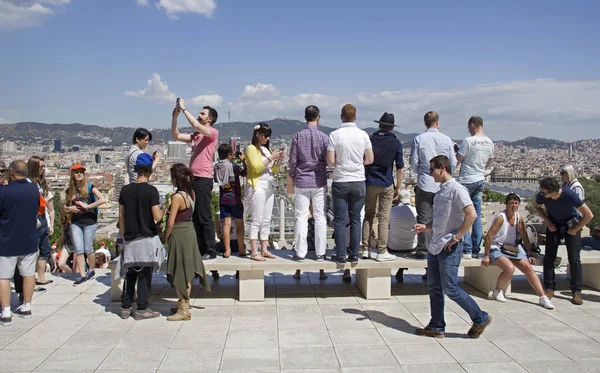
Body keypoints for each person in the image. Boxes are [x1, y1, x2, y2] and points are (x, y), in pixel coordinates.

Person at [414, 155, 491, 339]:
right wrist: (427, 227)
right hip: (435, 245)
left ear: (442, 168)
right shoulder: (441, 191)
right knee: (434, 287)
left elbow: (471, 215)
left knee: (450, 288)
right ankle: (436, 326)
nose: (430, 174)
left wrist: (457, 237)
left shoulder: (457, 189)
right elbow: (442, 219)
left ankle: (480, 317)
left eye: (432, 170)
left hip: (449, 247)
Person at [482, 193, 554, 309]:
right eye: (511, 203)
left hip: (513, 247)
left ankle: (542, 297)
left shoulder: (518, 217)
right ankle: (497, 291)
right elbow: (489, 236)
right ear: (506, 204)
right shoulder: (501, 218)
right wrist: (486, 255)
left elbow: (524, 236)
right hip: (498, 247)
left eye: (516, 203)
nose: (514, 206)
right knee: (510, 269)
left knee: (528, 268)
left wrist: (530, 253)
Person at [118, 153, 165, 320]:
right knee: (145, 273)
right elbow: (157, 217)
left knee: (130, 272)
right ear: (149, 170)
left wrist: (124, 235)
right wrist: (164, 209)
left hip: (130, 237)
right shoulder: (151, 191)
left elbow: (121, 217)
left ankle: (125, 306)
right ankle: (142, 308)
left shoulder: (125, 190)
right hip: (146, 236)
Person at [172, 100, 219, 260]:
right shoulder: (196, 136)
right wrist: (175, 117)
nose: (199, 115)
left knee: (204, 214)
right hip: (193, 179)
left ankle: (210, 250)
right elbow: (176, 135)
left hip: (203, 178)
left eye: (202, 113)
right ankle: (200, 249)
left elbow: (197, 126)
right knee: (196, 216)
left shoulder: (212, 132)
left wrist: (184, 109)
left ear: (210, 119)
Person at [536, 176, 594, 305]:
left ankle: (576, 291)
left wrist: (575, 229)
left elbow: (589, 215)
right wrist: (548, 222)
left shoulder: (569, 194)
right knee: (549, 257)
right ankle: (549, 287)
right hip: (554, 224)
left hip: (571, 224)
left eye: (544, 192)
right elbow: (538, 207)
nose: (542, 194)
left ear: (552, 191)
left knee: (574, 258)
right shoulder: (542, 195)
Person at [163, 163, 211, 321]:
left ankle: (184, 309)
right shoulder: (191, 194)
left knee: (179, 270)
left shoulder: (177, 197)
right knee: (187, 270)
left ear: (177, 178)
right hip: (190, 232)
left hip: (179, 233)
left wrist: (165, 236)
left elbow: (170, 222)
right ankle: (183, 305)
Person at [327, 104, 374, 263]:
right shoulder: (363, 135)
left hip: (341, 180)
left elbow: (331, 161)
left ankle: (341, 255)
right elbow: (370, 159)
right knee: (356, 219)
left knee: (340, 220)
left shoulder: (334, 135)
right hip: (358, 180)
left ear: (341, 117)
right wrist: (358, 163)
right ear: (355, 117)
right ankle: (354, 254)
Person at [408, 112, 456, 261]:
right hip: (442, 184)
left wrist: (424, 172)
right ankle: (441, 248)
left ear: (425, 123)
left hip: (425, 182)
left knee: (423, 217)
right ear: (437, 122)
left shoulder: (419, 139)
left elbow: (413, 163)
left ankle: (423, 250)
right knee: (443, 217)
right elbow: (452, 163)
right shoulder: (447, 139)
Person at [0, 161, 39, 326]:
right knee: (28, 274)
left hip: (7, 239)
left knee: (4, 277)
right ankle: (27, 306)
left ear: (11, 173)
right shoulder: (33, 189)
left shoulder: (4, 192)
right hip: (29, 239)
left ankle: (6, 311)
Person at [289, 105, 330, 263]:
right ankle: (320, 252)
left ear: (305, 117)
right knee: (320, 216)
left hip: (301, 180)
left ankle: (300, 252)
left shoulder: (298, 136)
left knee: (301, 216)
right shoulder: (324, 137)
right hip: (319, 180)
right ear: (318, 117)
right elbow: (328, 161)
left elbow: (293, 160)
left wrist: (294, 175)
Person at [362, 112, 404, 261]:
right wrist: (398, 187)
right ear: (392, 127)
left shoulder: (370, 139)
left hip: (370, 181)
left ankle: (365, 249)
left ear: (379, 124)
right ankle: (381, 251)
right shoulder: (396, 142)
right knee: (383, 218)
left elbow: (364, 160)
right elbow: (399, 167)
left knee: (368, 215)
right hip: (386, 182)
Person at [456, 116, 494, 259]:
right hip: (480, 179)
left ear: (473, 125)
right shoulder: (490, 142)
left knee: (465, 214)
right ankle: (476, 249)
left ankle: (466, 249)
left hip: (466, 180)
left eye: (469, 126)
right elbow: (488, 163)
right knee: (476, 215)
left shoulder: (468, 141)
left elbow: (458, 160)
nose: (468, 129)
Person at [245, 122, 284, 261]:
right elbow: (256, 168)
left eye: (268, 136)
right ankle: (254, 251)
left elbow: (272, 170)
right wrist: (271, 158)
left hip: (268, 186)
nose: (267, 138)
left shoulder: (266, 150)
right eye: (265, 135)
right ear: (258, 134)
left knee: (266, 220)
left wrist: (278, 161)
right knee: (256, 219)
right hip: (257, 187)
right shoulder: (251, 148)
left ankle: (264, 249)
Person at [63, 164, 106, 285]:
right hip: (76, 222)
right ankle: (82, 274)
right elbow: (64, 207)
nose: (79, 173)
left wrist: (87, 206)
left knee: (88, 248)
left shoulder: (89, 187)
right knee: (79, 249)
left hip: (89, 221)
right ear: (72, 174)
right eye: (76, 172)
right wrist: (70, 208)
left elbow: (102, 199)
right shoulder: (69, 190)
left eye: (81, 171)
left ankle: (91, 270)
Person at [214, 144, 247, 258]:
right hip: (235, 199)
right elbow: (244, 173)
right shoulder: (233, 166)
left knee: (226, 225)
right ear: (229, 155)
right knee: (239, 224)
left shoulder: (217, 166)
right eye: (232, 153)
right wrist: (243, 161)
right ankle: (241, 249)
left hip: (223, 199)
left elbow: (216, 179)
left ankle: (227, 250)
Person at [28, 156, 55, 286]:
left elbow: (49, 206)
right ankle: (30, 279)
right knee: (32, 251)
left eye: (44, 167)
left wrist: (51, 224)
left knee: (45, 249)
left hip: (43, 218)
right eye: (41, 167)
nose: (43, 169)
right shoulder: (28, 183)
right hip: (34, 218)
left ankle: (41, 277)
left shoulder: (42, 182)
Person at [387, 190, 417, 282]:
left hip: (393, 247)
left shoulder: (392, 210)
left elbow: (388, 225)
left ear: (398, 199)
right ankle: (401, 270)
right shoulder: (415, 211)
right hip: (412, 247)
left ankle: (400, 270)